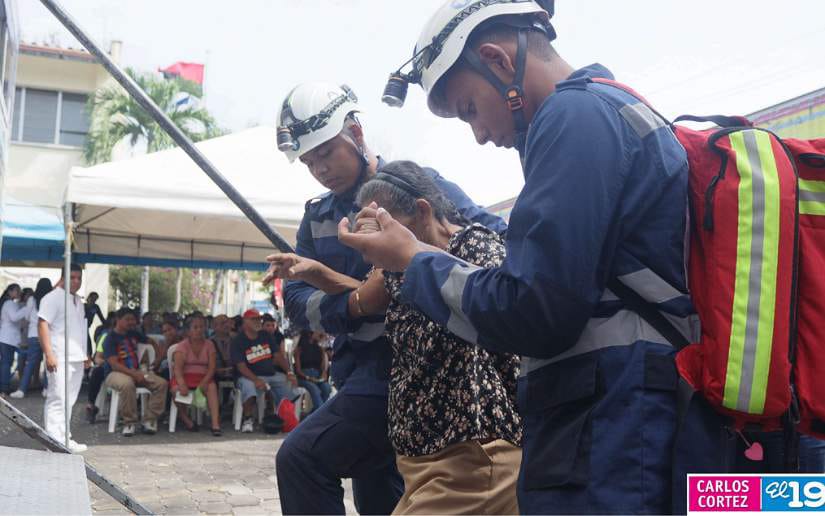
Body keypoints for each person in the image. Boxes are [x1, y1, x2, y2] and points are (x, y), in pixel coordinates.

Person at [338, 1, 733, 513]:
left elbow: (533, 308)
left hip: (613, 431)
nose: (479, 133)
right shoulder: (609, 110)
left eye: (470, 110)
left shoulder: (574, 118)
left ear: (498, 61)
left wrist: (414, 259)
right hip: (618, 421)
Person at [268, 81, 506, 515]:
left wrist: (398, 281)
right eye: (308, 161)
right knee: (381, 501)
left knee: (301, 457)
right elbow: (299, 304)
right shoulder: (317, 217)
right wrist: (357, 305)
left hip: (419, 368)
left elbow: (491, 239)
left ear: (356, 135)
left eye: (326, 153)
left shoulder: (414, 183)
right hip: (358, 371)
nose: (320, 169)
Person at [353, 161, 522, 514]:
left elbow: (509, 325)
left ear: (422, 211)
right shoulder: (400, 268)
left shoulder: (477, 249)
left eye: (385, 228)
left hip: (474, 458)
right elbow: (362, 298)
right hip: (421, 464)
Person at [38, 265, 89, 452]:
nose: (76, 281)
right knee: (57, 398)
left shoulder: (77, 300)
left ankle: (64, 438)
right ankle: (52, 441)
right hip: (59, 356)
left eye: (79, 278)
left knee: (69, 400)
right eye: (72, 277)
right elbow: (43, 324)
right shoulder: (52, 298)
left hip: (77, 356)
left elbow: (80, 329)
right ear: (63, 278)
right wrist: (49, 354)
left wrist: (85, 354)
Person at [231, 309, 304, 433]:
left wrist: (289, 372)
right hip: (248, 376)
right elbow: (241, 367)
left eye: (259, 319)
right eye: (254, 319)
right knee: (248, 386)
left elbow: (278, 356)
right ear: (245, 322)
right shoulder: (238, 341)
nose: (258, 322)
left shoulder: (266, 336)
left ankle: (285, 418)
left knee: (286, 381)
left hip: (270, 374)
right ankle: (247, 419)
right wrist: (256, 379)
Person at [103, 307, 168, 437]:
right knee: (127, 385)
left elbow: (150, 341)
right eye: (128, 319)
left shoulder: (133, 333)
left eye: (133, 319)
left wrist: (158, 357)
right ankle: (129, 422)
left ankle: (149, 420)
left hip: (136, 372)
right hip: (115, 374)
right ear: (118, 320)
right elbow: (114, 365)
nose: (131, 322)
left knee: (162, 384)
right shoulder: (110, 338)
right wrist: (134, 374)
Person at [171, 314, 222, 436]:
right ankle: (186, 420)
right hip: (184, 376)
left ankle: (215, 424)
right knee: (175, 390)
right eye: (195, 327)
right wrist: (182, 384)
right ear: (188, 331)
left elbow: (212, 367)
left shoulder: (209, 344)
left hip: (203, 376)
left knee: (212, 387)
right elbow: (177, 369)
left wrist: (205, 382)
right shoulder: (182, 346)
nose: (199, 330)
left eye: (201, 327)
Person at [11, 279, 53, 398]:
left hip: (34, 334)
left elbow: (27, 316)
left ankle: (22, 390)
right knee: (47, 363)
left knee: (30, 363)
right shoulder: (50, 299)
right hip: (47, 334)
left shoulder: (32, 299)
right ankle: (46, 389)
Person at [293, 330, 332, 414]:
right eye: (316, 332)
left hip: (317, 376)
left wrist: (323, 375)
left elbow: (323, 368)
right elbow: (298, 371)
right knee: (315, 389)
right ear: (310, 333)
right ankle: (322, 415)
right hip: (303, 376)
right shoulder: (299, 349)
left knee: (327, 388)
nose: (319, 333)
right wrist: (309, 378)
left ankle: (314, 415)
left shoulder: (319, 349)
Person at [0, 283, 28, 395]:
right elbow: (14, 317)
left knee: (6, 362)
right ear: (10, 291)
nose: (19, 292)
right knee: (7, 363)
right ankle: (4, 387)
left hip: (6, 337)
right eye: (17, 290)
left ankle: (4, 386)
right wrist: (27, 308)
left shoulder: (8, 303)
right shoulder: (9, 303)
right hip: (8, 338)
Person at [210, 314, 234, 381]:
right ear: (214, 327)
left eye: (227, 322)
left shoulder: (236, 340)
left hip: (234, 375)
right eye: (223, 323)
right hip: (215, 376)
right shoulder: (209, 343)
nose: (226, 325)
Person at [84, 292, 105, 357]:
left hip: (87, 326)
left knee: (88, 342)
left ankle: (89, 355)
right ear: (89, 298)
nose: (93, 301)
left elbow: (101, 317)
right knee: (87, 342)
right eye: (92, 298)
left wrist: (107, 325)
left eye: (95, 299)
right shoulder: (83, 306)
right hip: (81, 326)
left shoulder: (95, 307)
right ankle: (88, 355)